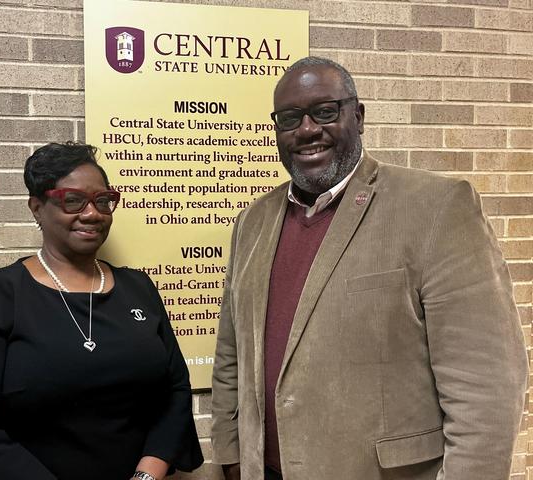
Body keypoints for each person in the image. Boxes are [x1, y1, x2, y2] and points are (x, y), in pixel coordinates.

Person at [211, 57, 528, 480]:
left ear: (357, 116)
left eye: (325, 111)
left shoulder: (436, 207)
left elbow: (485, 389)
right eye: (290, 119)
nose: (307, 130)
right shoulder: (252, 222)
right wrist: (231, 454)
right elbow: (232, 352)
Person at [0, 142, 203, 480]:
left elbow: (174, 389)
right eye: (72, 200)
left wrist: (146, 475)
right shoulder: (1, 293)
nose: (92, 213)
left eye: (103, 201)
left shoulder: (138, 288)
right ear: (37, 207)